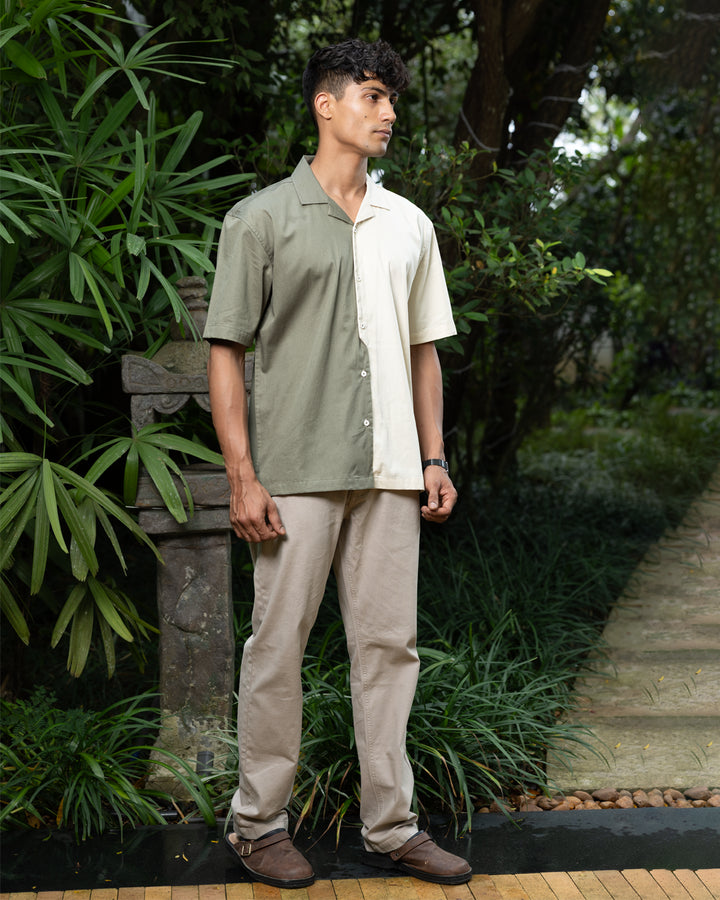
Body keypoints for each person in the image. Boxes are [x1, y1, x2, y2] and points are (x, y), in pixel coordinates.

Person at [204, 37, 472, 890]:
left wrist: (433, 456)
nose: (389, 111)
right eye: (371, 95)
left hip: (394, 471)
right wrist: (243, 476)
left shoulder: (410, 225)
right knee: (277, 647)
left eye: (392, 99)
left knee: (390, 650)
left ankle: (392, 828)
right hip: (295, 474)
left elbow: (425, 351)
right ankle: (258, 826)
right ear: (326, 105)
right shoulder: (261, 218)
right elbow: (225, 352)